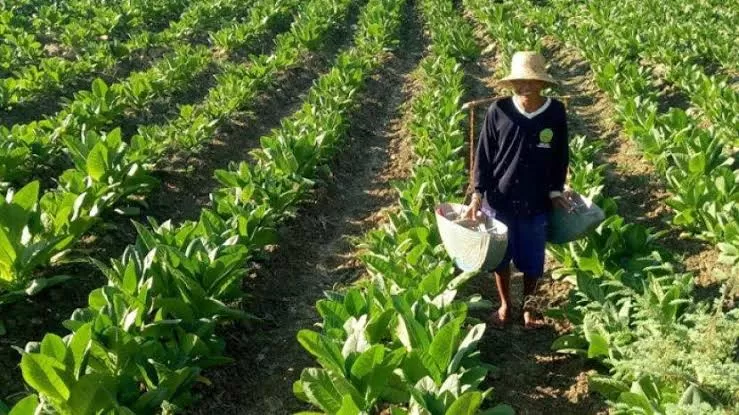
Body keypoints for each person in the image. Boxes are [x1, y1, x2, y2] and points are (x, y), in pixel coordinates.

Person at [465, 51, 570, 329]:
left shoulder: (555, 112)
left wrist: (556, 190)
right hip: (500, 199)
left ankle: (529, 308)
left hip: (536, 200)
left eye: (532, 82)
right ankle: (505, 305)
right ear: (512, 84)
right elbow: (484, 156)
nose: (525, 87)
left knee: (533, 259)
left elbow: (560, 155)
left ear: (542, 84)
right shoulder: (498, 111)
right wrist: (477, 193)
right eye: (520, 82)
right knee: (501, 257)